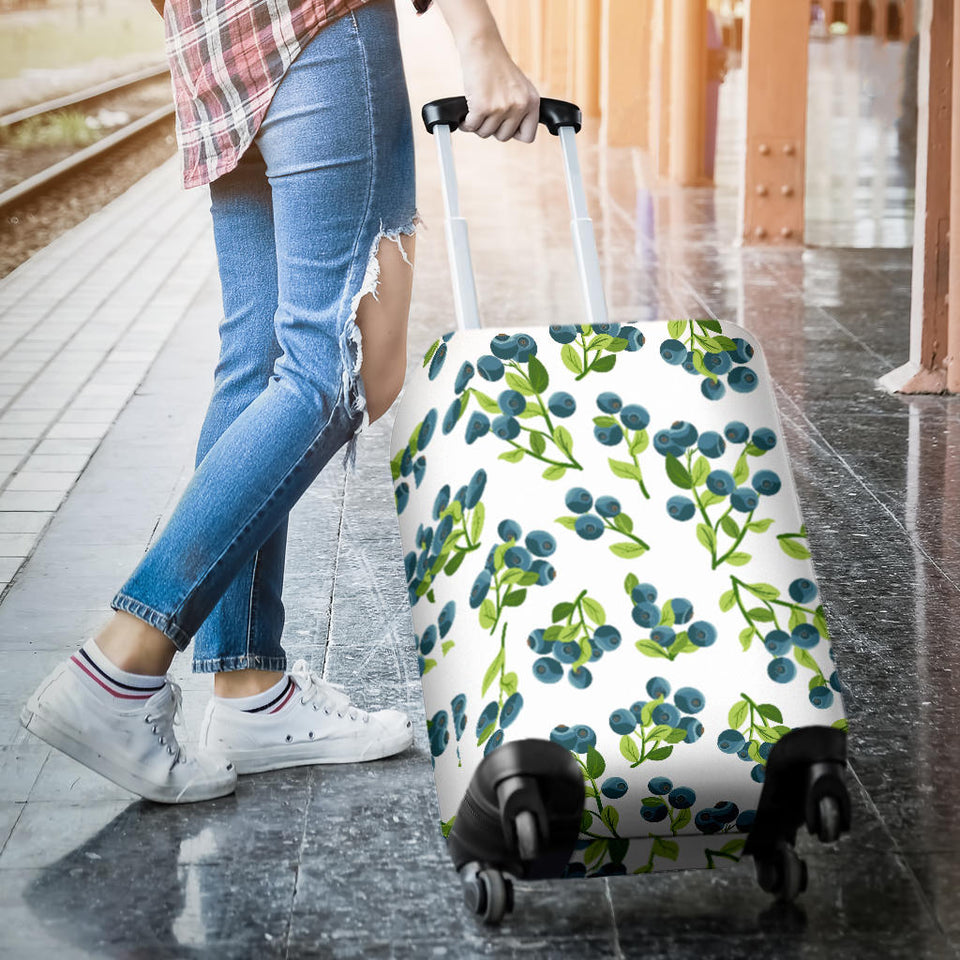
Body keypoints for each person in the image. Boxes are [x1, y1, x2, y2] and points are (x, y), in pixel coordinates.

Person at [20, 0, 540, 803]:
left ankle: (248, 689)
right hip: (320, 25)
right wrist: (480, 40)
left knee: (259, 361)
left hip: (213, 46)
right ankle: (120, 666)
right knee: (340, 367)